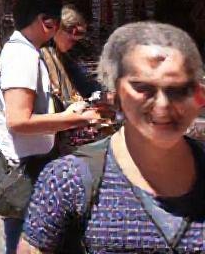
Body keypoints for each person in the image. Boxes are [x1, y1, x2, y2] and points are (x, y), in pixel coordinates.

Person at [21, 21, 205, 253]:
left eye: (178, 89)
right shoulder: (69, 181)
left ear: (199, 98)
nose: (162, 105)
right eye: (142, 88)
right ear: (115, 97)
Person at [0, 0, 103, 254]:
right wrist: (72, 118)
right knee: (27, 241)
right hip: (23, 170)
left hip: (25, 165)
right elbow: (18, 120)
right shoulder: (23, 56)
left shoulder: (25, 51)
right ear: (46, 22)